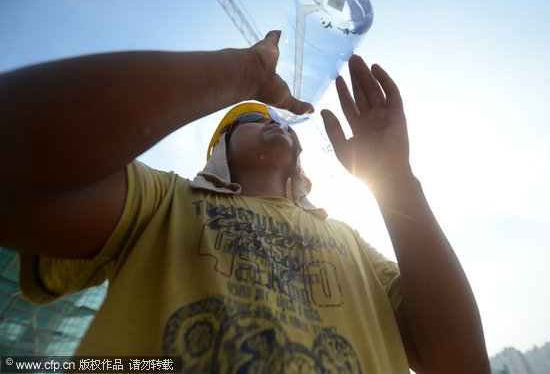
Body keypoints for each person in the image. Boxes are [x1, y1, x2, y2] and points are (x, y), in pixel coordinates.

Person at [0, 30, 491, 373]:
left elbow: (460, 364)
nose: (271, 119)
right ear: (219, 151)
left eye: (274, 118)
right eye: (249, 118)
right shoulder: (163, 201)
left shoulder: (351, 244)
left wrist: (396, 181)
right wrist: (244, 71)